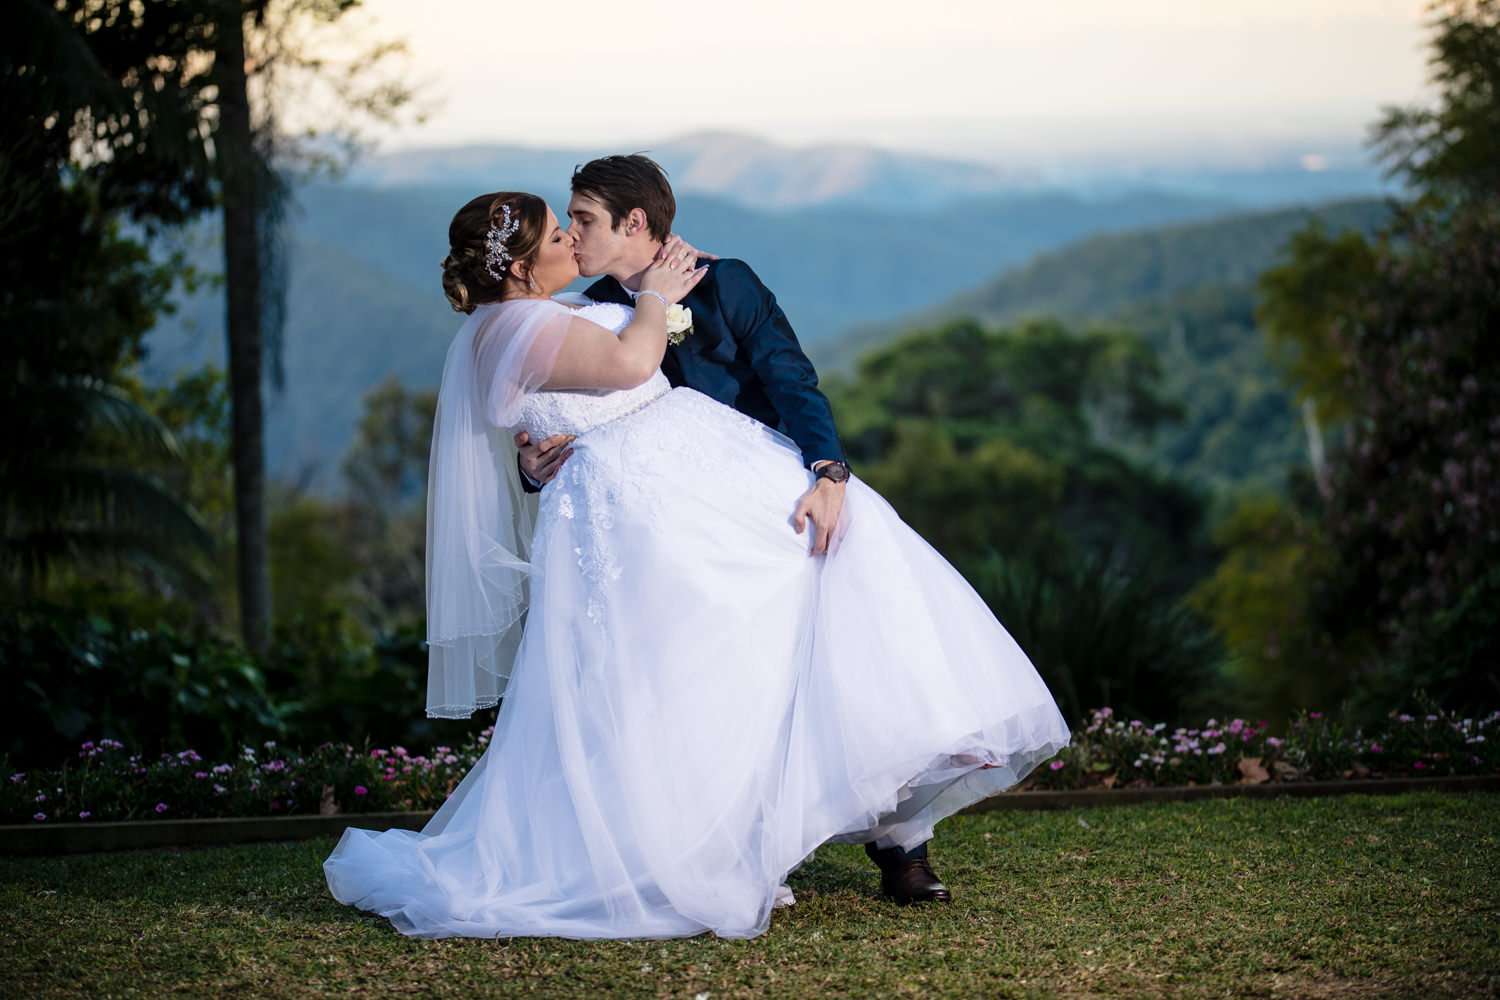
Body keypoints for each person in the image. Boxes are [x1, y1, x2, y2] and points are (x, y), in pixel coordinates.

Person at [322, 188, 1069, 941]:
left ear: (634, 223)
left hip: (709, 474)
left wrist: (829, 470)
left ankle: (900, 807)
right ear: (519, 267)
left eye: (580, 222)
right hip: (645, 506)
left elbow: (790, 378)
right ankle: (732, 841)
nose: (572, 238)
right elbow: (609, 374)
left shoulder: (695, 285)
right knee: (701, 667)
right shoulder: (548, 316)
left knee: (849, 557)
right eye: (559, 231)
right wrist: (642, 313)